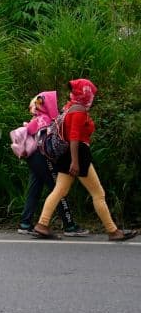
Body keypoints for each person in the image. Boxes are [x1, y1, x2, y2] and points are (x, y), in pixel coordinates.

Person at [32, 79, 137, 242]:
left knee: (59, 190)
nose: (92, 96)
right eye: (91, 93)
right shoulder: (79, 111)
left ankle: (42, 224)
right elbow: (74, 137)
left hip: (66, 153)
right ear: (85, 94)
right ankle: (113, 231)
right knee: (98, 193)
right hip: (78, 153)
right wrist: (75, 162)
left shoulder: (69, 107)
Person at [17, 91, 88, 236]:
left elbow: (28, 131)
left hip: (33, 158)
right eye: (52, 103)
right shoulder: (46, 120)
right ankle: (69, 225)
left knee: (35, 189)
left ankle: (25, 223)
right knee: (58, 189)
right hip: (43, 158)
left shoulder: (36, 119)